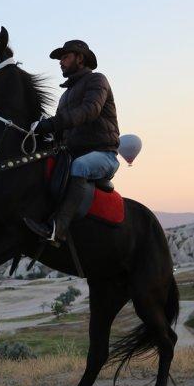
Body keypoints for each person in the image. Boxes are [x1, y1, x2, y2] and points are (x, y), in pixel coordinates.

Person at [24, 40, 120, 245]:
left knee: (80, 166)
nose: (61, 62)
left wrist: (50, 124)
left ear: (80, 58)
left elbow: (89, 110)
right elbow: (59, 131)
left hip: (104, 154)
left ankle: (57, 230)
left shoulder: (97, 80)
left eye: (65, 57)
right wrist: (37, 132)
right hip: (72, 153)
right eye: (60, 59)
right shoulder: (65, 96)